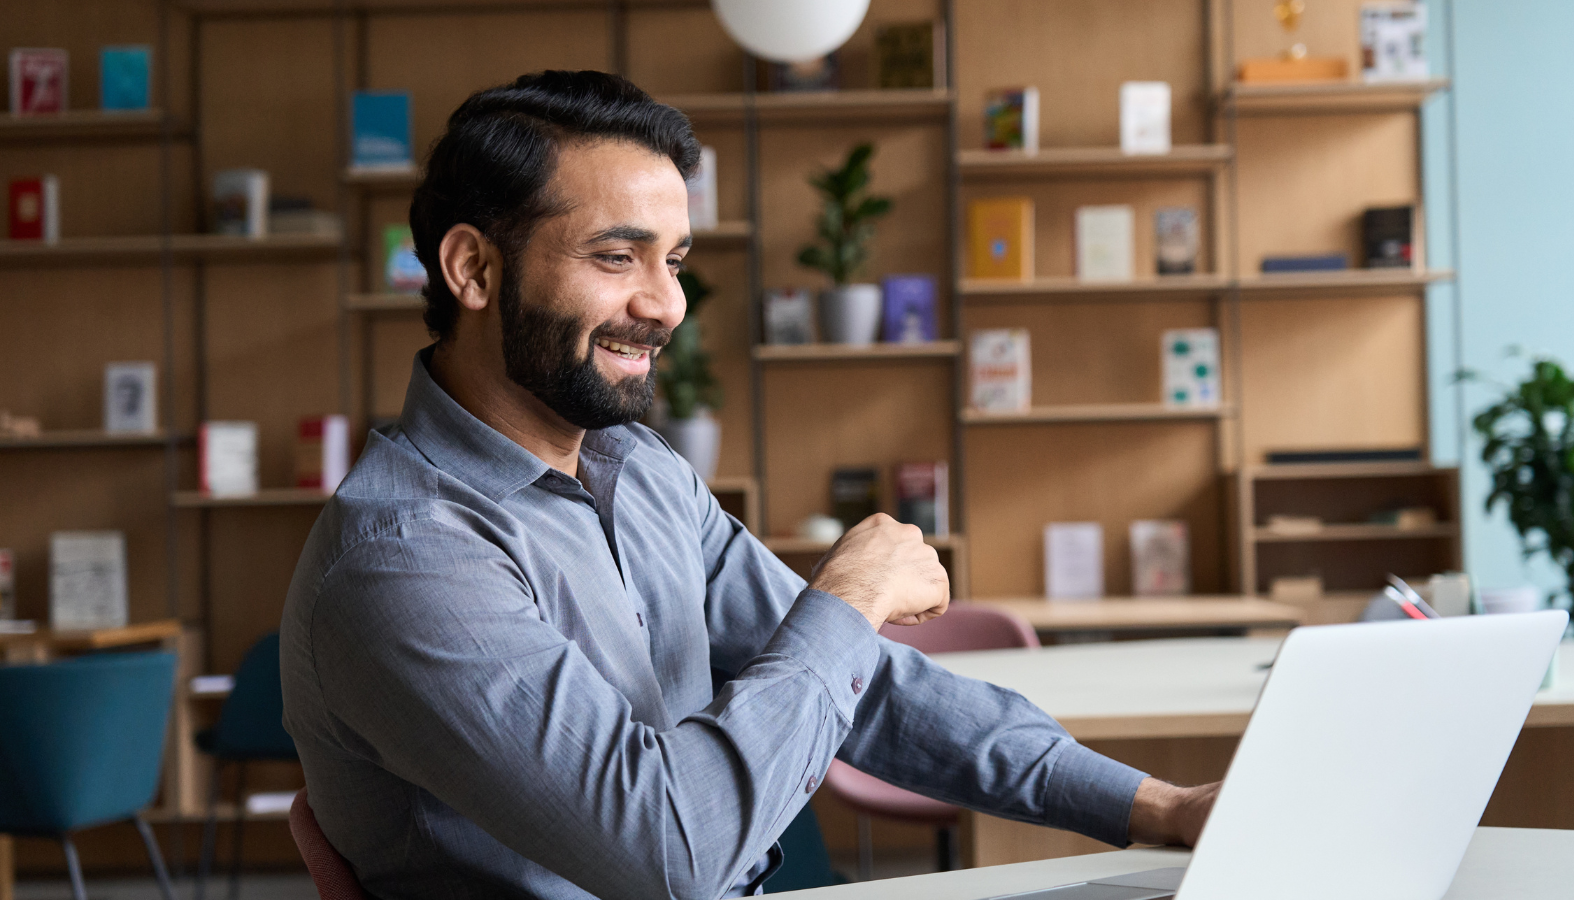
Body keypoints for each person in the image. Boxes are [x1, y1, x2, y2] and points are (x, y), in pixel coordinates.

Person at [279, 70, 1218, 900]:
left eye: (674, 259)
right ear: (474, 268)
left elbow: (869, 689)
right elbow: (669, 853)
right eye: (616, 257)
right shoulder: (405, 558)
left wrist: (1158, 806)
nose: (667, 304)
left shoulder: (638, 473)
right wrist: (848, 594)